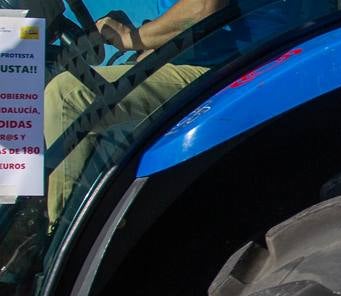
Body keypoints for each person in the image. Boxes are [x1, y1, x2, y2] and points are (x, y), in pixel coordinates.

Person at [43, 0, 229, 225]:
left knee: (67, 95)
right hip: (194, 58)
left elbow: (204, 8)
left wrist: (133, 37)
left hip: (226, 66)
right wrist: (145, 44)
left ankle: (60, 231)